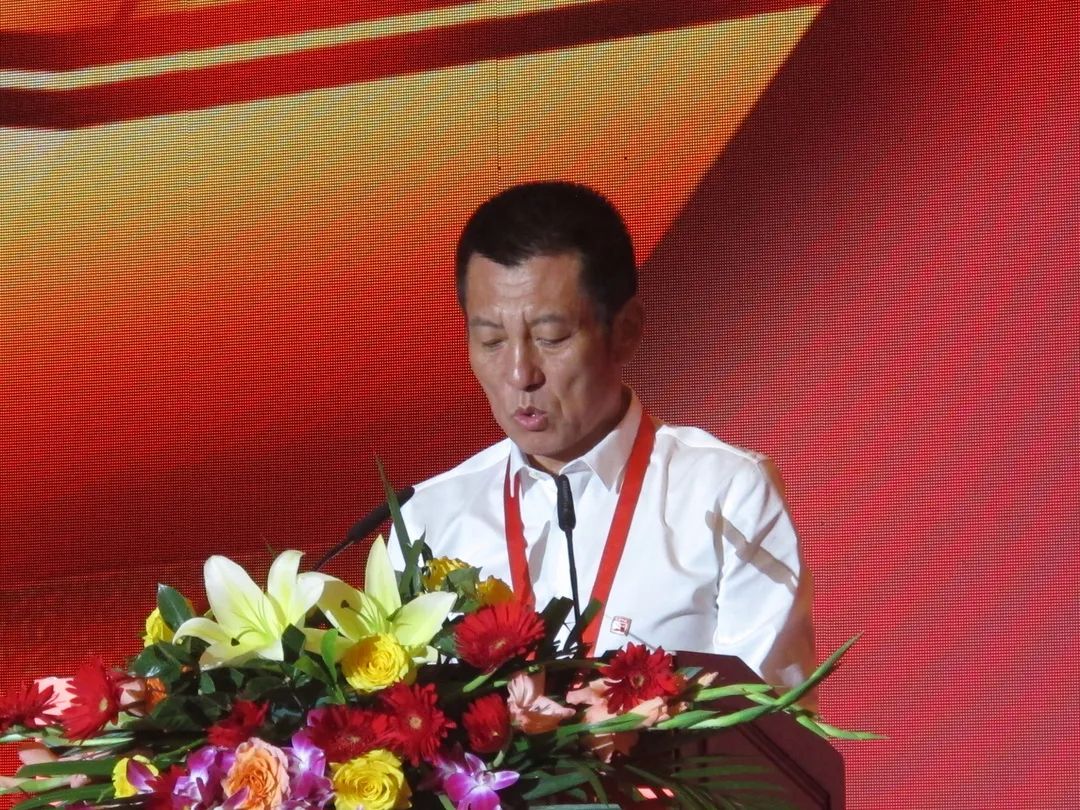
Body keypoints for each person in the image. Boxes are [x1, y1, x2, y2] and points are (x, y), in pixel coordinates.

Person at [394, 181, 815, 691]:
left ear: (626, 331)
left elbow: (773, 718)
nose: (521, 373)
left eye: (551, 338)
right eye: (491, 341)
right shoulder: (428, 519)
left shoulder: (725, 494)